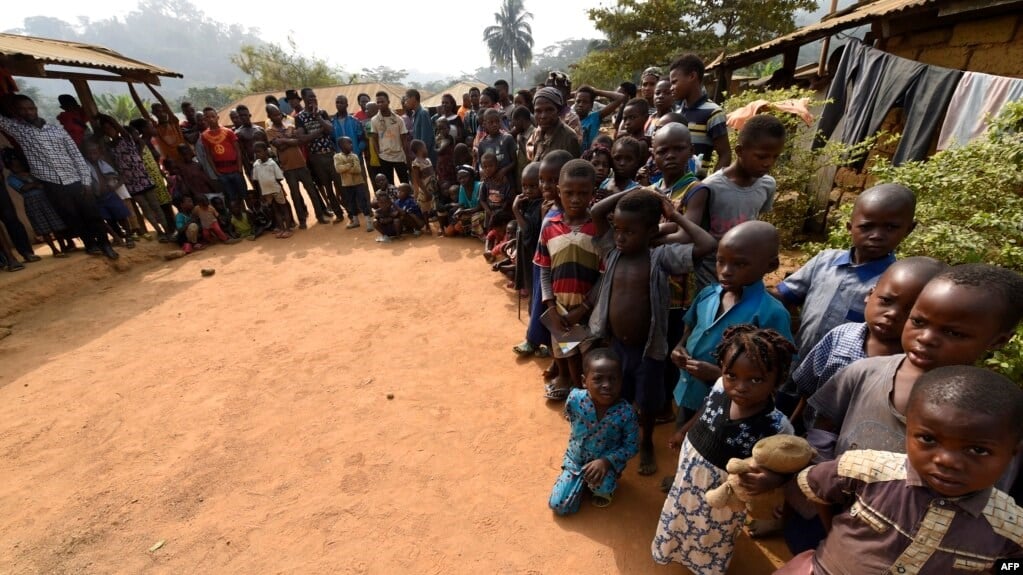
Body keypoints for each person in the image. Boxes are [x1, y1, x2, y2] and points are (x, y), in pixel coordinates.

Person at [792, 264, 1023, 554]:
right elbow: (823, 428)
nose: (926, 338)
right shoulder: (862, 374)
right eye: (918, 321)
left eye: (953, 332)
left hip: (916, 545)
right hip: (829, 512)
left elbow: (998, 502)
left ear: (998, 341)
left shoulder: (995, 413)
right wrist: (820, 483)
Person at [777, 365, 1023, 575]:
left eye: (977, 450)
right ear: (909, 430)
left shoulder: (1011, 526)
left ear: (1013, 452)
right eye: (928, 439)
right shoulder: (866, 469)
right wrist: (835, 531)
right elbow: (818, 487)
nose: (946, 460)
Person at [587, 187, 717, 476]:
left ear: (650, 232)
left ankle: (645, 442)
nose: (620, 236)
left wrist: (675, 216)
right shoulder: (612, 251)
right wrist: (634, 191)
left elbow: (706, 245)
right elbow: (596, 212)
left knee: (647, 403)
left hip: (648, 349)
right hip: (615, 345)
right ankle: (620, 437)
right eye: (617, 229)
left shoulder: (661, 257)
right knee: (618, 396)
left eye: (629, 232)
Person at [652, 324, 796, 574]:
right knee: (680, 512)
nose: (740, 386)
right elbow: (705, 410)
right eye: (732, 375)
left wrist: (771, 479)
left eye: (756, 379)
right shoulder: (719, 385)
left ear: (777, 380)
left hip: (724, 495)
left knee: (712, 531)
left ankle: (703, 566)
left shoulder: (777, 425)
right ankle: (674, 550)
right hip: (690, 475)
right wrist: (683, 430)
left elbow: (788, 465)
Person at [667, 221, 794, 491]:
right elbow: (690, 326)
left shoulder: (771, 313)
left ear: (770, 266)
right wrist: (679, 347)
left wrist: (717, 375)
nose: (725, 271)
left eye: (739, 264)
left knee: (722, 449)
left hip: (734, 403)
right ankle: (684, 478)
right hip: (689, 389)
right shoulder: (708, 294)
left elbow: (779, 370)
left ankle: (713, 491)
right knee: (687, 435)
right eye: (720, 261)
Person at [790, 257, 947, 427]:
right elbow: (806, 392)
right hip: (815, 438)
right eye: (886, 301)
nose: (892, 314)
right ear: (870, 294)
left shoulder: (919, 362)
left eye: (911, 311)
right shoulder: (840, 337)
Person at [775, 183, 917, 365]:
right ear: (850, 227)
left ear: (908, 229)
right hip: (796, 362)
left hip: (842, 376)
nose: (876, 235)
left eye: (890, 227)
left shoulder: (896, 284)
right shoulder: (824, 261)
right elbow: (786, 295)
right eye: (866, 227)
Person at [0, 94, 117, 259]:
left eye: (30, 108)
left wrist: (86, 182)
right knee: (71, 216)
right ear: (17, 112)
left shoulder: (57, 130)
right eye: (22, 110)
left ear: (36, 108)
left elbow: (76, 156)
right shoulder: (19, 130)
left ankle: (105, 244)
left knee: (92, 213)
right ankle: (90, 244)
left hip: (75, 178)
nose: (28, 112)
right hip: (52, 183)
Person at [692, 114, 787, 293]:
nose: (768, 163)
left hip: (746, 271)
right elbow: (700, 235)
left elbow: (757, 223)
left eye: (775, 157)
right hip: (711, 271)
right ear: (739, 151)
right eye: (761, 156)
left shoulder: (767, 185)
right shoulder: (711, 187)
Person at [548, 348, 640, 515]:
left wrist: (605, 461)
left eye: (613, 379)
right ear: (584, 381)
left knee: (603, 487)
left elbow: (631, 447)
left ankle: (603, 484)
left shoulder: (627, 413)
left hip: (605, 464)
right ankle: (577, 479)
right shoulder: (575, 398)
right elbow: (569, 415)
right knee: (559, 505)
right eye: (598, 379)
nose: (607, 385)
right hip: (575, 460)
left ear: (621, 381)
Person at [536, 159, 599, 399]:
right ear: (559, 192)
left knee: (588, 356)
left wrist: (583, 308)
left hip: (589, 311)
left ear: (592, 193)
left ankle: (589, 400)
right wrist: (550, 306)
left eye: (583, 193)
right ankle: (577, 400)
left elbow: (603, 276)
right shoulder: (549, 226)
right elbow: (544, 269)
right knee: (568, 355)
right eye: (569, 192)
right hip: (560, 311)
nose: (575, 199)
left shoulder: (598, 229)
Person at [97, 115, 171, 241]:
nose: (109, 130)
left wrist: (108, 118)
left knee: (155, 206)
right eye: (106, 129)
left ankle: (167, 230)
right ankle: (160, 232)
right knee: (146, 208)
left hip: (143, 177)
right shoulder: (109, 147)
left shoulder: (126, 139)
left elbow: (120, 128)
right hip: (130, 182)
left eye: (111, 127)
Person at [265, 104, 327, 227]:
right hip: (288, 167)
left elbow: (299, 141)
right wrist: (289, 140)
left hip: (301, 164)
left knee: (312, 192)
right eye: (275, 115)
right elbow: (279, 146)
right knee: (296, 195)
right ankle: (302, 220)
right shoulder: (269, 131)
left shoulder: (290, 126)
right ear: (269, 117)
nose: (278, 116)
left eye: (279, 113)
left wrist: (283, 140)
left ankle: (320, 216)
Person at [669, 54, 731, 172]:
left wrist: (710, 184)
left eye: (674, 82)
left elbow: (725, 154)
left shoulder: (713, 112)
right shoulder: (677, 113)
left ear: (692, 76)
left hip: (696, 186)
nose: (671, 88)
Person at [3, 150, 69, 257]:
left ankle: (62, 247)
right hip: (32, 202)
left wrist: (33, 184)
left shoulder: (30, 170)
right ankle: (54, 250)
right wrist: (36, 184)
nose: (16, 164)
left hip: (43, 198)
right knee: (43, 228)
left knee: (55, 224)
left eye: (17, 161)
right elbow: (24, 188)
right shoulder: (12, 178)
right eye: (13, 163)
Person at [295, 89, 346, 223]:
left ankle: (350, 211)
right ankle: (338, 213)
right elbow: (301, 139)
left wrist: (317, 117)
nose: (313, 99)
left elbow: (330, 130)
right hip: (315, 157)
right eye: (310, 97)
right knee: (328, 187)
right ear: (304, 98)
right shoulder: (299, 117)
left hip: (330, 154)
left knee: (340, 184)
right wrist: (319, 131)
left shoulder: (322, 113)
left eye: (314, 96)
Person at [81, 138, 133, 249]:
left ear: (99, 153)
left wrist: (115, 187)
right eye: (89, 153)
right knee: (108, 220)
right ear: (85, 154)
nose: (92, 156)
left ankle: (129, 237)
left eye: (94, 153)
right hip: (98, 199)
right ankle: (118, 237)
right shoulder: (84, 168)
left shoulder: (104, 164)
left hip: (110, 195)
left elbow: (121, 177)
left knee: (121, 216)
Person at [199, 107, 246, 207]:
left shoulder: (228, 132)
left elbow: (237, 150)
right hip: (222, 172)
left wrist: (239, 168)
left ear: (217, 117)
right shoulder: (204, 136)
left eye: (213, 116)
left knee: (242, 195)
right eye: (207, 117)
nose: (211, 119)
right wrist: (216, 172)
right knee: (231, 197)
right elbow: (208, 155)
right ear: (205, 119)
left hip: (235, 169)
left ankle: (246, 216)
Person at [526, 87, 581, 162]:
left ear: (559, 111)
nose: (543, 116)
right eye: (538, 111)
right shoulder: (537, 133)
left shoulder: (569, 138)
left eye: (549, 110)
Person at [251, 142, 293, 239]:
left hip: (276, 190)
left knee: (284, 208)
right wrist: (261, 193)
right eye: (256, 152)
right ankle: (282, 229)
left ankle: (288, 229)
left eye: (259, 152)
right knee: (275, 210)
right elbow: (256, 180)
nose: (257, 154)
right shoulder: (256, 165)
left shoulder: (272, 163)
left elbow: (279, 178)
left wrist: (278, 188)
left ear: (266, 151)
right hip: (266, 192)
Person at [369, 91, 410, 185]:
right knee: (389, 185)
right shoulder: (374, 120)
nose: (380, 104)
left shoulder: (398, 119)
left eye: (382, 101)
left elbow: (404, 139)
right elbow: (374, 139)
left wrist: (406, 157)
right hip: (384, 157)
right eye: (378, 102)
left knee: (405, 182)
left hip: (399, 156)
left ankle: (408, 200)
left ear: (388, 102)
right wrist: (379, 153)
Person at [334, 136, 372, 231]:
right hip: (347, 184)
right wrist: (349, 165)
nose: (351, 145)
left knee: (363, 201)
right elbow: (338, 169)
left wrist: (345, 167)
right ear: (341, 145)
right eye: (349, 143)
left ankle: (369, 222)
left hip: (358, 183)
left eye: (351, 143)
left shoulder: (355, 156)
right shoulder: (337, 157)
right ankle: (355, 221)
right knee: (351, 203)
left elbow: (357, 169)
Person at [573, 85, 626, 153]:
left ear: (591, 105)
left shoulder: (594, 117)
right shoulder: (569, 119)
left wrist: (596, 91)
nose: (580, 104)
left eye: (585, 102)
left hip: (590, 157)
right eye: (578, 101)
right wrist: (577, 92)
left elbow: (620, 97)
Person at [475, 109, 516, 183]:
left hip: (507, 182)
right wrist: (482, 171)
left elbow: (514, 162)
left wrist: (503, 170)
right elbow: (480, 164)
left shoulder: (507, 138)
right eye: (491, 122)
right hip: (491, 183)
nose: (495, 124)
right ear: (484, 124)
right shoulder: (482, 143)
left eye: (497, 121)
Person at [234, 105, 267, 193]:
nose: (243, 117)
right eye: (241, 116)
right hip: (252, 166)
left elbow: (268, 147)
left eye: (245, 115)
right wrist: (248, 170)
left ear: (250, 115)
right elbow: (241, 154)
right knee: (260, 192)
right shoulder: (238, 133)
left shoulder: (260, 129)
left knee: (276, 190)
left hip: (267, 164)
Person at [479, 151, 512, 239]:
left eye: (490, 166)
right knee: (489, 230)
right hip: (489, 211)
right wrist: (489, 212)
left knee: (502, 230)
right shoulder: (485, 182)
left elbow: (508, 199)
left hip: (502, 212)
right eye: (485, 167)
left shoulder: (504, 181)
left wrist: (500, 211)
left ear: (496, 165)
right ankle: (489, 242)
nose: (488, 169)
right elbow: (482, 200)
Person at [448, 165, 485, 238]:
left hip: (482, 212)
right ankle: (471, 231)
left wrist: (463, 211)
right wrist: (458, 211)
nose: (462, 180)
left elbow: (479, 208)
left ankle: (482, 235)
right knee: (450, 231)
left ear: (472, 176)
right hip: (471, 212)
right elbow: (462, 205)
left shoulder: (480, 186)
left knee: (475, 218)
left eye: (465, 177)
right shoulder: (462, 187)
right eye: (460, 178)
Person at [409, 139, 436, 229]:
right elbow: (417, 179)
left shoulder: (428, 160)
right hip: (425, 188)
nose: (426, 149)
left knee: (433, 205)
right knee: (424, 207)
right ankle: (427, 225)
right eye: (425, 148)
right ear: (420, 150)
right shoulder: (416, 163)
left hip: (433, 186)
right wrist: (425, 191)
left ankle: (434, 222)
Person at [404, 89, 436, 167]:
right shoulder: (416, 115)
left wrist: (421, 158)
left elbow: (426, 139)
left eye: (406, 99)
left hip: (426, 159)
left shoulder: (423, 113)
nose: (405, 102)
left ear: (413, 98)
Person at [510, 105, 534, 179]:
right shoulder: (521, 134)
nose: (514, 127)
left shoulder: (533, 134)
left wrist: (520, 142)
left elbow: (531, 159)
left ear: (521, 120)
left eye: (515, 124)